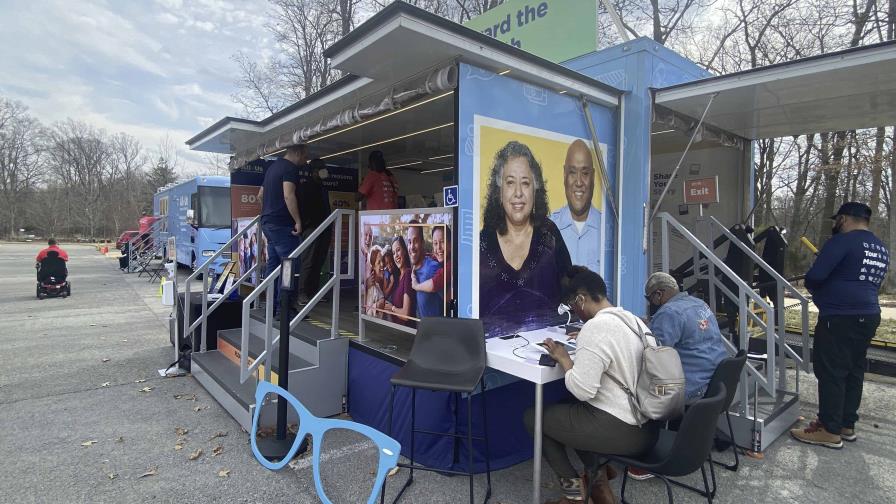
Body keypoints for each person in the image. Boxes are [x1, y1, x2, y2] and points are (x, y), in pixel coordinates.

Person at [525, 266, 658, 504]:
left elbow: (582, 390)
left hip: (623, 430)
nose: (575, 312)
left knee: (533, 418)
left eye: (573, 306)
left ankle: (573, 495)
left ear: (581, 299)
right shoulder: (633, 321)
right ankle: (599, 485)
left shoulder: (595, 328)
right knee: (569, 413)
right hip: (648, 425)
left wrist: (565, 359)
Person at [791, 202, 889, 449]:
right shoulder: (880, 247)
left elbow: (815, 276)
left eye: (837, 220)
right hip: (868, 314)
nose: (835, 224)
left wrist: (817, 284)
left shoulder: (842, 241)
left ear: (843, 219)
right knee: (853, 370)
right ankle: (846, 424)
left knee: (831, 371)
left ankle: (828, 430)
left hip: (840, 316)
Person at [480, 141, 572, 335]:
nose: (518, 193)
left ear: (534, 189)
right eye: (510, 183)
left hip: (545, 354)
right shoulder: (481, 243)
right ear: (499, 191)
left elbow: (572, 292)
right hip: (493, 358)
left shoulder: (550, 235)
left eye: (525, 183)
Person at [258, 144, 306, 315]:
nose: (305, 159)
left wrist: (268, 210)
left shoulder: (272, 168)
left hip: (268, 224)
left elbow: (260, 195)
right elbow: (288, 194)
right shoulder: (290, 168)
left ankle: (271, 307)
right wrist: (298, 221)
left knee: (274, 266)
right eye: (304, 155)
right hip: (282, 225)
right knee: (290, 266)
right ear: (298, 153)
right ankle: (285, 309)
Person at [550, 139, 602, 274]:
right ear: (564, 175)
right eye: (573, 172)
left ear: (593, 177)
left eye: (585, 173)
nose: (579, 182)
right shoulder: (547, 230)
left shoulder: (608, 231)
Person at [296, 158, 332, 305]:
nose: (324, 171)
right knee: (308, 261)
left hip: (324, 228)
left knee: (319, 262)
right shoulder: (306, 187)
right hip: (311, 229)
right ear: (314, 171)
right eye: (321, 169)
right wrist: (307, 225)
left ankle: (313, 292)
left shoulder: (322, 187)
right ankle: (302, 293)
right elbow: (302, 208)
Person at [406, 221, 442, 318]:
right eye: (409, 242)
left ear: (422, 243)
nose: (412, 247)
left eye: (415, 241)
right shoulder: (410, 270)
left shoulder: (433, 268)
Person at [382, 236, 416, 326]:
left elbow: (405, 315)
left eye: (398, 250)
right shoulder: (397, 277)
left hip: (405, 332)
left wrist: (392, 308)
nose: (396, 255)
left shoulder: (408, 274)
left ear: (404, 251)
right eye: (393, 253)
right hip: (395, 330)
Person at [412, 225, 450, 302]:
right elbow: (431, 256)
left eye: (442, 242)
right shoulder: (437, 258)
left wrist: (416, 286)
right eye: (435, 243)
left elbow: (434, 284)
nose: (438, 247)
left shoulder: (452, 263)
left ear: (450, 244)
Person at [364, 245, 386, 317]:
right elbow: (368, 312)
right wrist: (379, 305)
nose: (382, 264)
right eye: (379, 262)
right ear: (373, 266)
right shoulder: (372, 287)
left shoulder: (383, 280)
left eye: (382, 260)